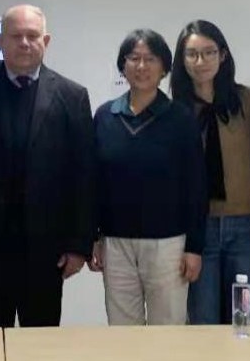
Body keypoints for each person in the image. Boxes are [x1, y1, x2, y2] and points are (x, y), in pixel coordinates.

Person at [0, 4, 95, 328]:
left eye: (32, 36)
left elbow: (84, 175)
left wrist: (79, 245)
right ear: (0, 41)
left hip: (47, 251)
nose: (24, 42)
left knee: (41, 343)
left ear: (46, 41)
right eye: (15, 36)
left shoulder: (72, 96)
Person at [88, 29, 207, 325]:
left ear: (164, 67)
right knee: (122, 329)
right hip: (116, 243)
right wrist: (93, 237)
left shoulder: (181, 118)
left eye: (151, 59)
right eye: (134, 58)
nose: (141, 66)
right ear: (123, 65)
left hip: (168, 244)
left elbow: (196, 187)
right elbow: (93, 183)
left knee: (167, 330)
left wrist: (194, 248)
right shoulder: (105, 117)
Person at [170, 20, 250, 325]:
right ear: (182, 60)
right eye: (192, 54)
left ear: (223, 55)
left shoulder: (246, 100)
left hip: (244, 225)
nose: (201, 61)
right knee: (204, 318)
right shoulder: (176, 110)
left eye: (209, 52)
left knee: (244, 316)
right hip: (198, 228)